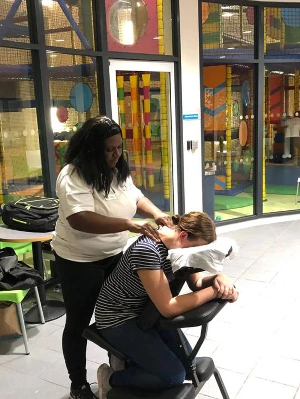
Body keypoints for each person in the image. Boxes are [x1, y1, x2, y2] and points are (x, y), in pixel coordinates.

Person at [51, 115, 172, 399]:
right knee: (79, 324)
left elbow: (135, 196)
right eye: (109, 149)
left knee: (119, 317)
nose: (117, 154)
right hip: (79, 261)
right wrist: (129, 225)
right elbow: (81, 219)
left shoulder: (117, 168)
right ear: (92, 149)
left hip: (115, 256)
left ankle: (119, 369)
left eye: (120, 147)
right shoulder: (72, 175)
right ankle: (78, 384)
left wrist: (156, 213)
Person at [95, 211, 239, 399]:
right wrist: (215, 291)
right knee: (174, 376)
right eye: (197, 249)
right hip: (118, 317)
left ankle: (136, 364)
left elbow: (196, 283)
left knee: (189, 364)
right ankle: (110, 379)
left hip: (147, 311)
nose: (197, 255)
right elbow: (168, 308)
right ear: (183, 235)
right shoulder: (148, 250)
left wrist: (219, 279)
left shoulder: (181, 249)